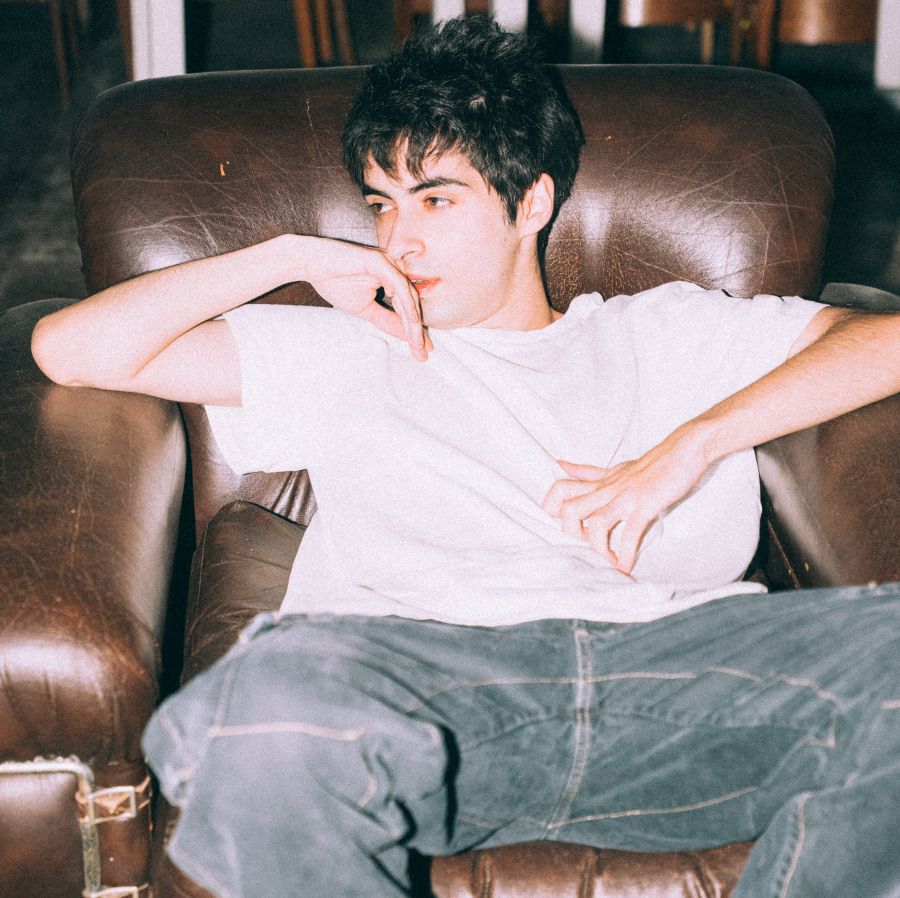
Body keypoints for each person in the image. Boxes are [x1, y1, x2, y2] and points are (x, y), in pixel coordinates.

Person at [31, 15, 900, 898]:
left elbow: (886, 339)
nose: (399, 241)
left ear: (533, 204)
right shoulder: (347, 347)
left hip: (682, 685)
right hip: (424, 698)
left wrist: (695, 441)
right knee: (269, 707)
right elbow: (70, 349)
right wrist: (286, 255)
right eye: (380, 205)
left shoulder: (671, 331)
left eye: (436, 200)